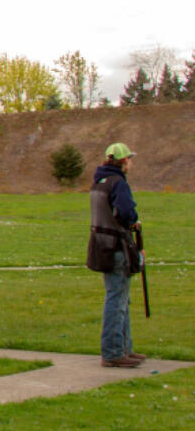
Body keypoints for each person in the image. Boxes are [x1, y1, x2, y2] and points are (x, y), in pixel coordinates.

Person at [87, 143, 146, 369]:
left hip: (102, 245)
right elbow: (126, 213)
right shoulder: (118, 183)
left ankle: (124, 348)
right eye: (129, 159)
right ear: (122, 162)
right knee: (117, 298)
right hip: (117, 246)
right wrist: (134, 223)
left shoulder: (99, 182)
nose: (131, 163)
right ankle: (113, 352)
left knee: (120, 298)